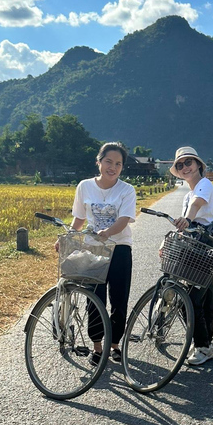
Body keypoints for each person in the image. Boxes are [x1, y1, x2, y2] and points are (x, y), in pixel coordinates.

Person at [55, 142, 136, 366]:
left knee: (119, 299)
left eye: (118, 164)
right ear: (98, 162)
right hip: (93, 249)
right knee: (94, 299)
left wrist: (107, 232)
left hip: (119, 248)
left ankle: (115, 345)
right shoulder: (84, 186)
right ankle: (98, 346)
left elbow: (123, 220)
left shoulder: (127, 190)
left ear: (122, 167)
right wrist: (68, 239)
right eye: (108, 161)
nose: (113, 167)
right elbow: (79, 219)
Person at [169, 146, 213, 365]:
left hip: (206, 245)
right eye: (180, 165)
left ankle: (202, 345)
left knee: (191, 297)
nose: (184, 168)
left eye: (188, 162)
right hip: (193, 245)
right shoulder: (189, 193)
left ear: (199, 165)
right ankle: (205, 342)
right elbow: (186, 215)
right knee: (204, 296)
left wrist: (188, 219)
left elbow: (195, 207)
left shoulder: (204, 185)